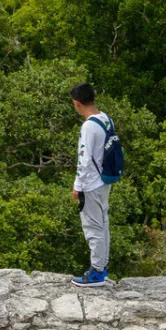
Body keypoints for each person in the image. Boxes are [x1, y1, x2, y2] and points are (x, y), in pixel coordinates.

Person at [69, 82, 115, 287]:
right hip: (105, 180)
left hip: (91, 184)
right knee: (103, 223)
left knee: (93, 227)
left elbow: (84, 159)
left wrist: (77, 186)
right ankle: (102, 266)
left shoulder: (88, 126)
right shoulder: (105, 119)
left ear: (78, 104)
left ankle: (96, 273)